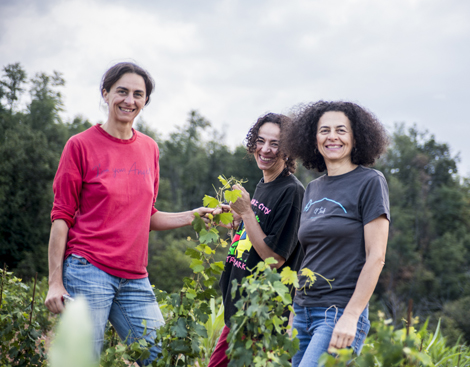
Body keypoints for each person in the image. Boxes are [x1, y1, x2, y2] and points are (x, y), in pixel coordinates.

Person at [44, 62, 214, 366]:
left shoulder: (149, 148)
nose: (129, 100)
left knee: (164, 358)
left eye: (138, 94)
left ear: (145, 101)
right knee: (83, 359)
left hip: (135, 277)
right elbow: (62, 217)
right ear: (106, 93)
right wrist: (54, 282)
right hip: (87, 270)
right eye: (122, 91)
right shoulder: (80, 145)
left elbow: (146, 216)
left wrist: (193, 215)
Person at [282, 101, 391, 367]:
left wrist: (352, 315)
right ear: (313, 138)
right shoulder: (313, 189)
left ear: (356, 137)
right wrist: (293, 316)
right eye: (324, 130)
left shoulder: (370, 182)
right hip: (303, 311)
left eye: (341, 130)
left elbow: (375, 257)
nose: (332, 137)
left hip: (338, 312)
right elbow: (310, 257)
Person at [208, 113, 305, 367]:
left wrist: (248, 212)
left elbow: (274, 259)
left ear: (288, 150)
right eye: (260, 141)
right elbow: (251, 242)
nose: (265, 149)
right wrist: (238, 220)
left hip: (261, 317)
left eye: (275, 144)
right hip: (240, 313)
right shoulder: (264, 184)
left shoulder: (292, 192)